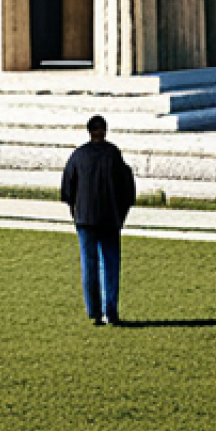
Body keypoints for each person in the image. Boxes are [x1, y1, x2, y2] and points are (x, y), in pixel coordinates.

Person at [60, 115, 135, 326]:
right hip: (109, 218)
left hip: (85, 219)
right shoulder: (113, 154)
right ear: (104, 131)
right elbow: (126, 186)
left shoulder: (78, 155)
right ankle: (110, 311)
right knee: (109, 265)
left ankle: (94, 311)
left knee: (89, 265)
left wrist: (76, 213)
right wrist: (121, 214)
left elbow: (68, 189)